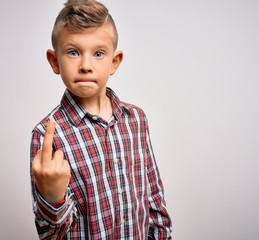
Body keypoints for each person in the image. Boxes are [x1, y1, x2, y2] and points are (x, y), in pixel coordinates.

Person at [30, 0, 172, 239]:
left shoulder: (136, 120)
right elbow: (51, 236)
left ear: (114, 62)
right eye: (73, 52)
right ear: (55, 61)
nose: (86, 65)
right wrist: (53, 199)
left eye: (98, 53)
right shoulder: (47, 136)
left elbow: (154, 199)